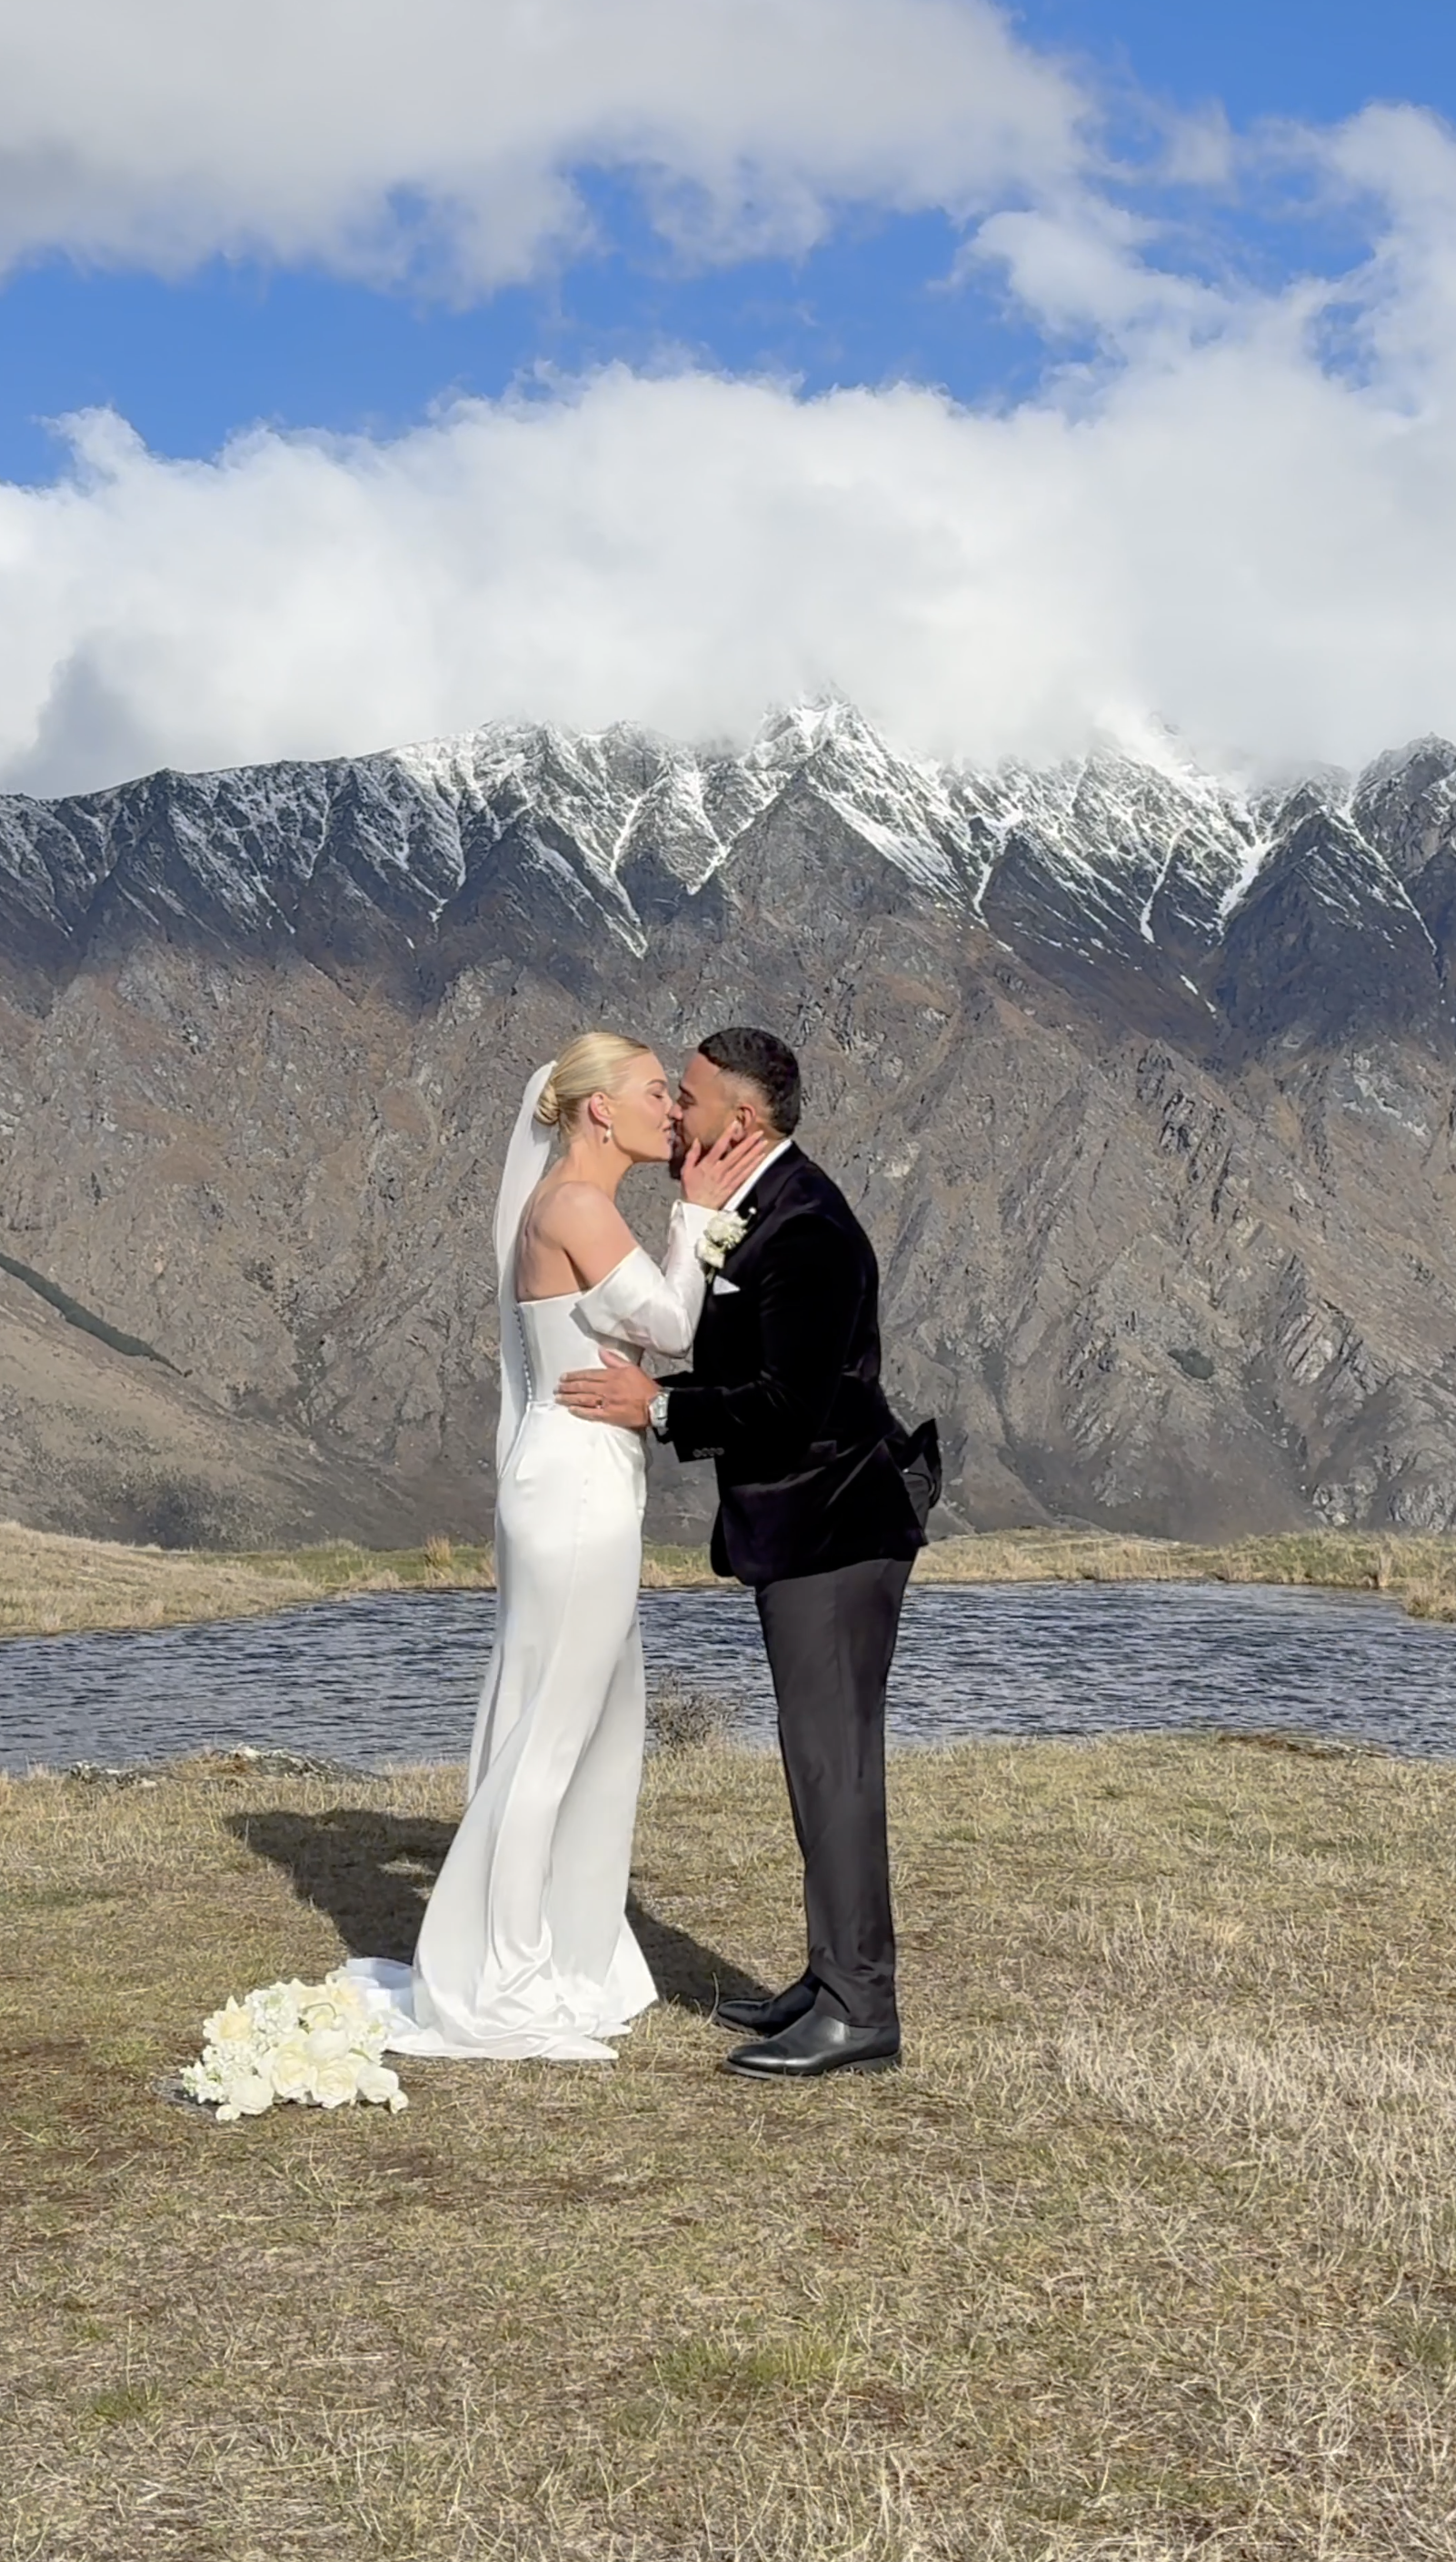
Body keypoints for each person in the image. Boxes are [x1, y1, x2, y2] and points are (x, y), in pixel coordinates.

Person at [347, 1032, 767, 2060]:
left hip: (578, 1484)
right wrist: (701, 1219)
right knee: (553, 1734)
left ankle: (563, 1947)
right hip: (576, 1494)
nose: (673, 1107)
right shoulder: (577, 1207)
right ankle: (507, 1970)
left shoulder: (580, 1207)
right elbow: (671, 1327)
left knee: (594, 1725)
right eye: (655, 1089)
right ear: (596, 1112)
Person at [558, 1027, 940, 2080]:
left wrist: (660, 1406)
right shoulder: (753, 1209)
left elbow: (791, 1404)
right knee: (817, 1762)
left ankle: (862, 2009)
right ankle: (827, 1980)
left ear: (744, 1117)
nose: (674, 1111)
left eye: (688, 1096)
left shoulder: (808, 1229)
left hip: (837, 1530)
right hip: (798, 1532)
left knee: (836, 1767)